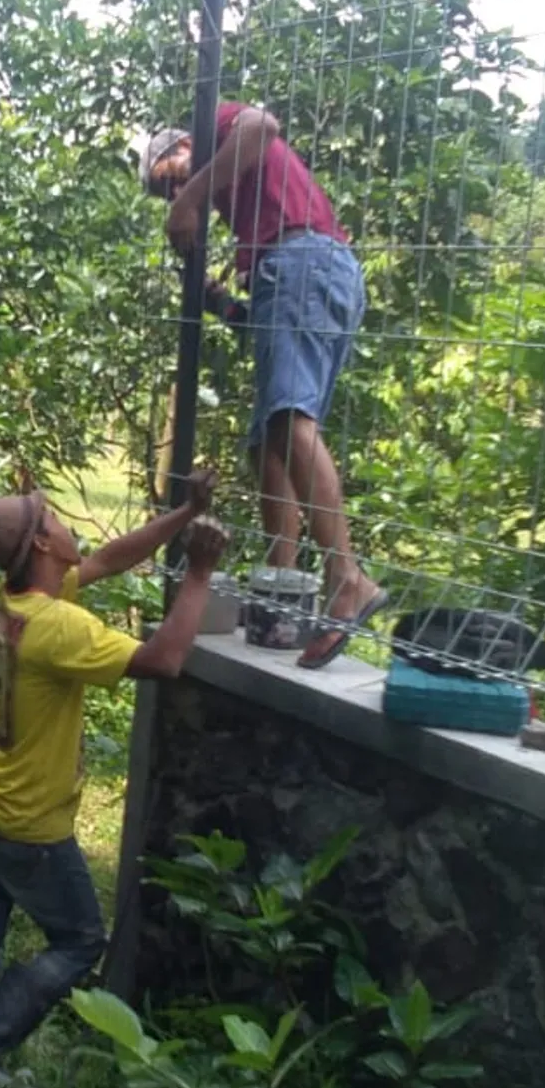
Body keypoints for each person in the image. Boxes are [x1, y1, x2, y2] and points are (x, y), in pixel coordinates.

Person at [0, 476, 227, 1088]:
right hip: (29, 827)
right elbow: (162, 660)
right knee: (78, 942)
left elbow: (108, 558)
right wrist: (200, 573)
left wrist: (184, 515)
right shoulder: (60, 628)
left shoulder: (11, 598)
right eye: (55, 516)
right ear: (43, 541)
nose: (71, 525)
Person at [143, 108, 386, 669]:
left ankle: (346, 577)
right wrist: (217, 299)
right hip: (300, 272)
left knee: (289, 420)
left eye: (168, 175)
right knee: (267, 443)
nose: (174, 190)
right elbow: (261, 320)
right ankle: (287, 588)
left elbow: (263, 125)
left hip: (303, 262)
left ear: (182, 140)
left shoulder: (216, 127)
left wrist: (189, 197)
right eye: (165, 193)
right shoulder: (245, 207)